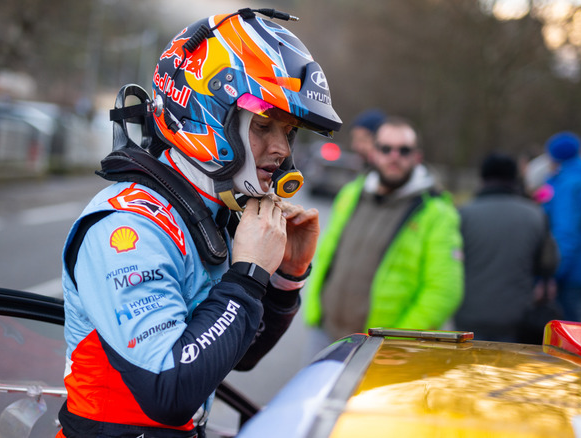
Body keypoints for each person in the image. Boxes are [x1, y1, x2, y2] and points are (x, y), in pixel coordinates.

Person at [57, 9, 342, 438]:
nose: (281, 149)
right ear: (205, 115)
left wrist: (284, 277)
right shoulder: (129, 227)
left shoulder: (214, 213)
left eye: (289, 131)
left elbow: (236, 355)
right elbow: (169, 390)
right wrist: (247, 275)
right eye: (264, 125)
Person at [303, 116, 464, 356]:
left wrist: (396, 343)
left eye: (404, 150)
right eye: (386, 148)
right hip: (325, 333)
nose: (394, 156)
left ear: (417, 156)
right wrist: (314, 309)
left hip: (380, 351)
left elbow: (444, 290)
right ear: (374, 153)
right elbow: (327, 253)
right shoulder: (351, 193)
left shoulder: (437, 212)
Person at [454, 152, 559, 342]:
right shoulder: (535, 215)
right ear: (514, 178)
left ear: (483, 178)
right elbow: (549, 263)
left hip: (469, 316)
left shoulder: (462, 215)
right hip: (516, 318)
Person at [542, 131, 581, 322]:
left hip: (571, 280)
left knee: (564, 348)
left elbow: (566, 236)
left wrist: (553, 277)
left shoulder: (568, 186)